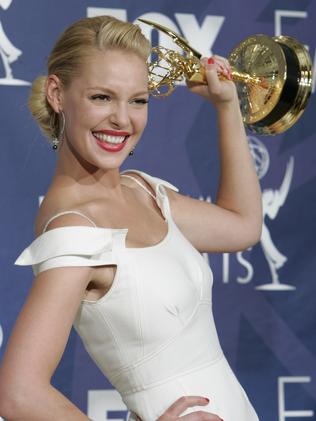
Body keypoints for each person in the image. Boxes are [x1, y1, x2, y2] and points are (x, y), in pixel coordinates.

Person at [0, 15, 262, 421]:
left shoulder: (142, 191)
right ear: (57, 93)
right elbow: (17, 394)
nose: (123, 120)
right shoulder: (76, 232)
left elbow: (242, 225)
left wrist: (227, 106)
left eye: (137, 100)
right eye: (102, 97)